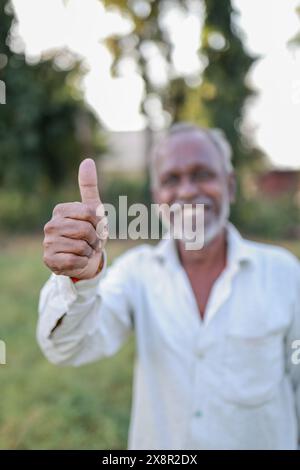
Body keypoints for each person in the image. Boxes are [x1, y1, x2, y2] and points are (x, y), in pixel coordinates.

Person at [37, 123, 300, 450]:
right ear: (157, 197)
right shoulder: (137, 273)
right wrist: (80, 279)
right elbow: (66, 347)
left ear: (230, 186)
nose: (187, 191)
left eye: (202, 174)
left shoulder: (285, 274)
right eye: (171, 179)